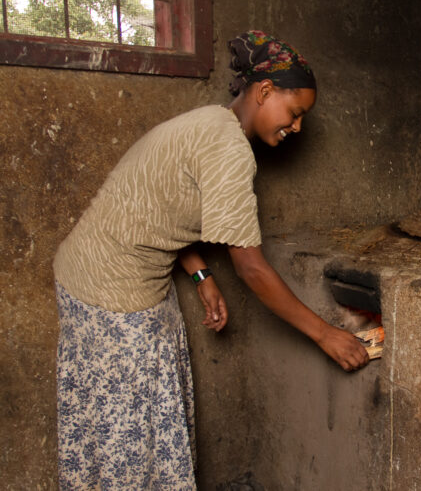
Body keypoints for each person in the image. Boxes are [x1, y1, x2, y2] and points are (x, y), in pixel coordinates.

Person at [52, 30, 369, 490]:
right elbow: (251, 268)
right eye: (295, 112)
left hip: (99, 278)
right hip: (109, 297)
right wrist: (326, 335)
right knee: (126, 446)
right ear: (264, 92)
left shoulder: (209, 122)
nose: (297, 127)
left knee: (133, 430)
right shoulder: (228, 150)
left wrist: (200, 274)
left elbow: (159, 204)